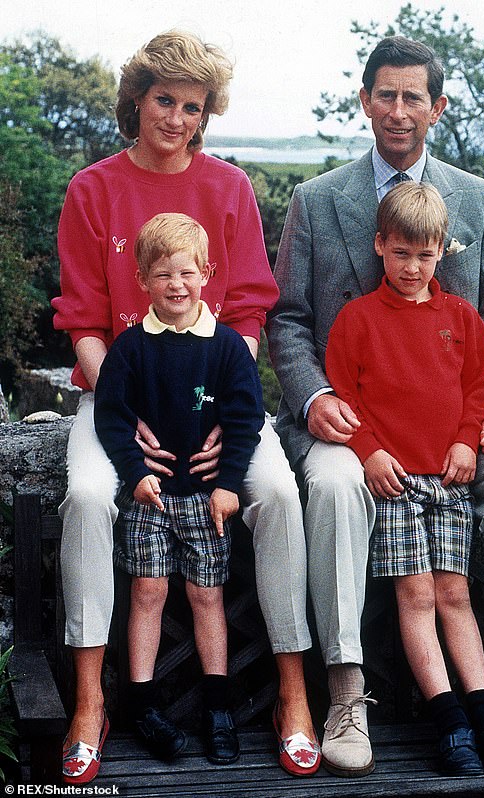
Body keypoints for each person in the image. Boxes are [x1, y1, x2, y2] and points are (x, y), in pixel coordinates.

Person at [267, 35, 484, 776]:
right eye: (385, 95)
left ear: (437, 106)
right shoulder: (317, 199)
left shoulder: (476, 198)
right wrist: (313, 398)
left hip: (456, 431)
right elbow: (287, 320)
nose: (398, 111)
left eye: (414, 97)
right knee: (336, 486)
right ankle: (345, 691)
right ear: (364, 99)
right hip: (354, 425)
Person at [53, 30, 319, 784]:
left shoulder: (229, 188)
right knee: (84, 494)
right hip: (117, 395)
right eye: (164, 100)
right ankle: (88, 703)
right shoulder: (91, 189)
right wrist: (121, 404)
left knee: (276, 491)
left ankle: (292, 695)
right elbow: (81, 323)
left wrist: (218, 420)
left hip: (215, 400)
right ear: (136, 99)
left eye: (192, 107)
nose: (176, 118)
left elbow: (248, 318)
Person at [325, 181, 484, 775]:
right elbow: (342, 398)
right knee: (415, 597)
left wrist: (468, 440)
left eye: (424, 255)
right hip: (393, 483)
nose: (412, 267)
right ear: (379, 246)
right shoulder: (358, 319)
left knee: (455, 596)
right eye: (400, 254)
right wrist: (368, 452)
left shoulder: (461, 318)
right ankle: (449, 725)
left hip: (449, 478)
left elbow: (479, 387)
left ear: (442, 250)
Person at [92, 212, 263, 765]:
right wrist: (135, 474)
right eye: (162, 275)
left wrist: (230, 484)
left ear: (207, 273)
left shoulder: (228, 348)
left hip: (206, 499)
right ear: (142, 280)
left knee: (207, 596)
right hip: (152, 497)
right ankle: (141, 703)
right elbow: (114, 420)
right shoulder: (130, 349)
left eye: (187, 273)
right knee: (147, 594)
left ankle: (218, 705)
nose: (176, 285)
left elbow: (245, 420)